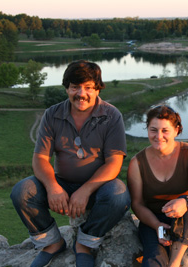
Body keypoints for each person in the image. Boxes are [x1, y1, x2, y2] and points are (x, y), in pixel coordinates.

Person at [11, 60, 131, 267]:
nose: (81, 94)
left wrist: (85, 191)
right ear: (67, 88)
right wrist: (53, 187)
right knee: (22, 192)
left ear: (97, 89)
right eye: (75, 87)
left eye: (88, 88)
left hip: (99, 187)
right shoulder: (52, 114)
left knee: (119, 196)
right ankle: (51, 243)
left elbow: (114, 163)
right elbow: (40, 158)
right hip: (62, 184)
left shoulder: (112, 116)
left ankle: (85, 243)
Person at [127, 105, 188, 267]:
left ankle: (175, 263)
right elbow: (137, 204)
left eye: (165, 131)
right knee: (153, 257)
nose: (158, 136)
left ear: (176, 130)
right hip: (154, 219)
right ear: (147, 129)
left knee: (186, 207)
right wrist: (156, 225)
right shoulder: (137, 163)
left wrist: (186, 202)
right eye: (153, 130)